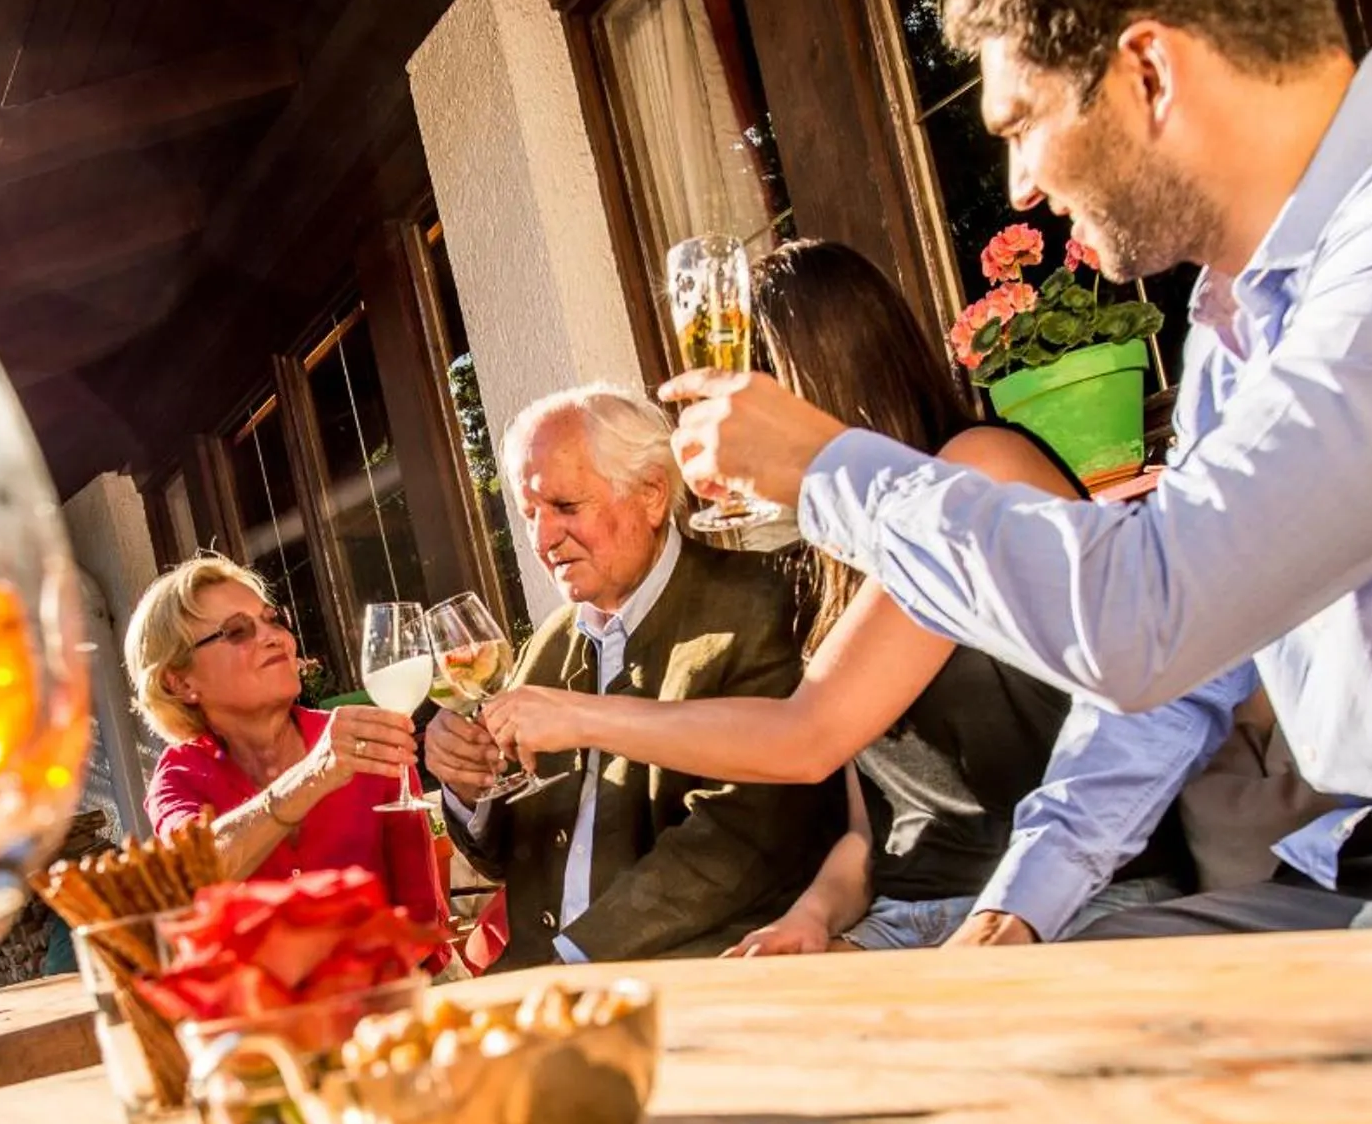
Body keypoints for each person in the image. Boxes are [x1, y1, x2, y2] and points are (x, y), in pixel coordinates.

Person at [662, 0, 1372, 936]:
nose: (1021, 185)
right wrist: (1022, 907)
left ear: (1147, 72)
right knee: (980, 1028)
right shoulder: (1238, 321)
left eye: (1019, 123)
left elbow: (1151, 613)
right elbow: (1180, 676)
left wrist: (821, 465)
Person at [480, 240, 1194, 953]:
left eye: (730, 400)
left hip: (1078, 900)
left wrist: (583, 716)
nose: (705, 430)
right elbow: (871, 833)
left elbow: (807, 738)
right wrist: (813, 918)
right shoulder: (827, 561)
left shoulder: (981, 470)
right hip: (905, 921)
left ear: (807, 383)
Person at [423, 384, 841, 971]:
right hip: (542, 977)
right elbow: (503, 857)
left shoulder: (758, 604)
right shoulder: (548, 642)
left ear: (650, 495)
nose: (542, 541)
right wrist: (466, 789)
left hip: (687, 973)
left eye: (565, 507)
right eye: (529, 515)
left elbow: (746, 837)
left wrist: (568, 961)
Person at [127, 556, 444, 928]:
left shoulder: (360, 742)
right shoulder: (181, 774)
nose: (273, 636)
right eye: (237, 631)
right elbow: (191, 876)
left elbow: (421, 918)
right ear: (179, 683)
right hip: (255, 987)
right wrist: (310, 778)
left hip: (387, 980)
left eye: (272, 619)